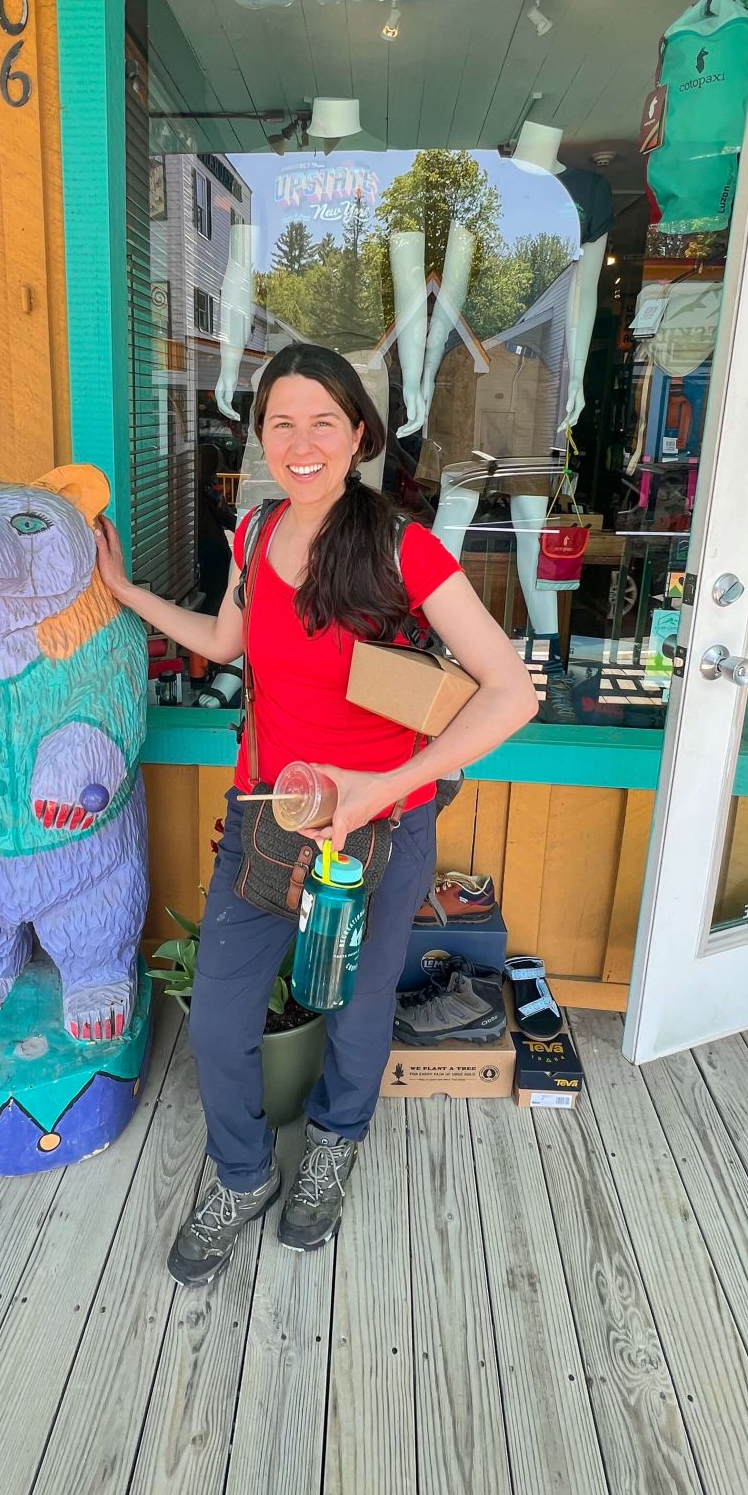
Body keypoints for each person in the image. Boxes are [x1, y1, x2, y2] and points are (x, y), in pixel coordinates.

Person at [96, 344, 536, 1285]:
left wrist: (383, 786)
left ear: (359, 436)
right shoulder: (254, 535)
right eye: (281, 423)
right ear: (260, 437)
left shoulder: (401, 548)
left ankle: (334, 1146)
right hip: (268, 815)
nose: (302, 443)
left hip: (378, 828)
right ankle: (244, 1174)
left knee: (357, 1005)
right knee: (217, 1018)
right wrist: (129, 594)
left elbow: (510, 692)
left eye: (322, 423)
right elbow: (225, 642)